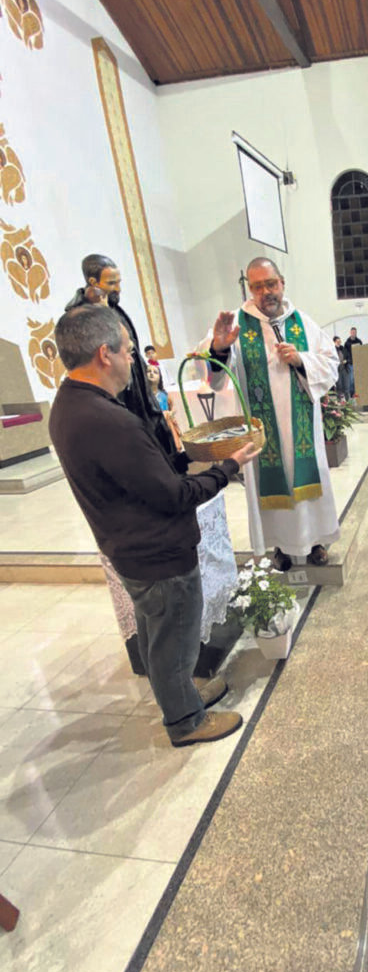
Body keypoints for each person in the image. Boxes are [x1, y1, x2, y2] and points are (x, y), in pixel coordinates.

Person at [49, 306, 261, 746]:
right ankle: (186, 721)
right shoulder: (109, 420)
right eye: (129, 351)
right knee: (174, 642)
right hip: (157, 553)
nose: (135, 361)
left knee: (156, 633)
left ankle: (181, 693)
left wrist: (185, 458)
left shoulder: (71, 404)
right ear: (105, 354)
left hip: (130, 547)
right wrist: (227, 467)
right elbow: (173, 496)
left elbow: (140, 477)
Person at [205, 257, 340, 572]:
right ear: (249, 289)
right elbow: (214, 375)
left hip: (303, 424)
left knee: (308, 482)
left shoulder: (304, 323)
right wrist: (220, 348)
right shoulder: (237, 322)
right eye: (257, 286)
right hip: (262, 430)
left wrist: (302, 360)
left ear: (282, 283)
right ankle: (281, 545)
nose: (266, 291)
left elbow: (331, 363)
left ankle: (315, 541)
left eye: (271, 283)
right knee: (271, 487)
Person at [65, 254, 185, 471]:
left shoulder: (113, 307)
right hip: (118, 397)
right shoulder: (80, 317)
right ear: (93, 283)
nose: (118, 288)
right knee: (138, 458)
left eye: (119, 282)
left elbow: (130, 346)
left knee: (162, 446)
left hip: (139, 392)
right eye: (112, 283)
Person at [344, 326, 363, 396]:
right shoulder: (347, 343)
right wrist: (347, 361)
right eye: (352, 332)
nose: (353, 333)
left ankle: (357, 394)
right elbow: (345, 353)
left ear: (356, 333)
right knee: (351, 380)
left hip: (358, 363)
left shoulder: (359, 341)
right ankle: (352, 394)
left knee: (358, 379)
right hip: (350, 363)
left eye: (354, 332)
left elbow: (362, 351)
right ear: (350, 333)